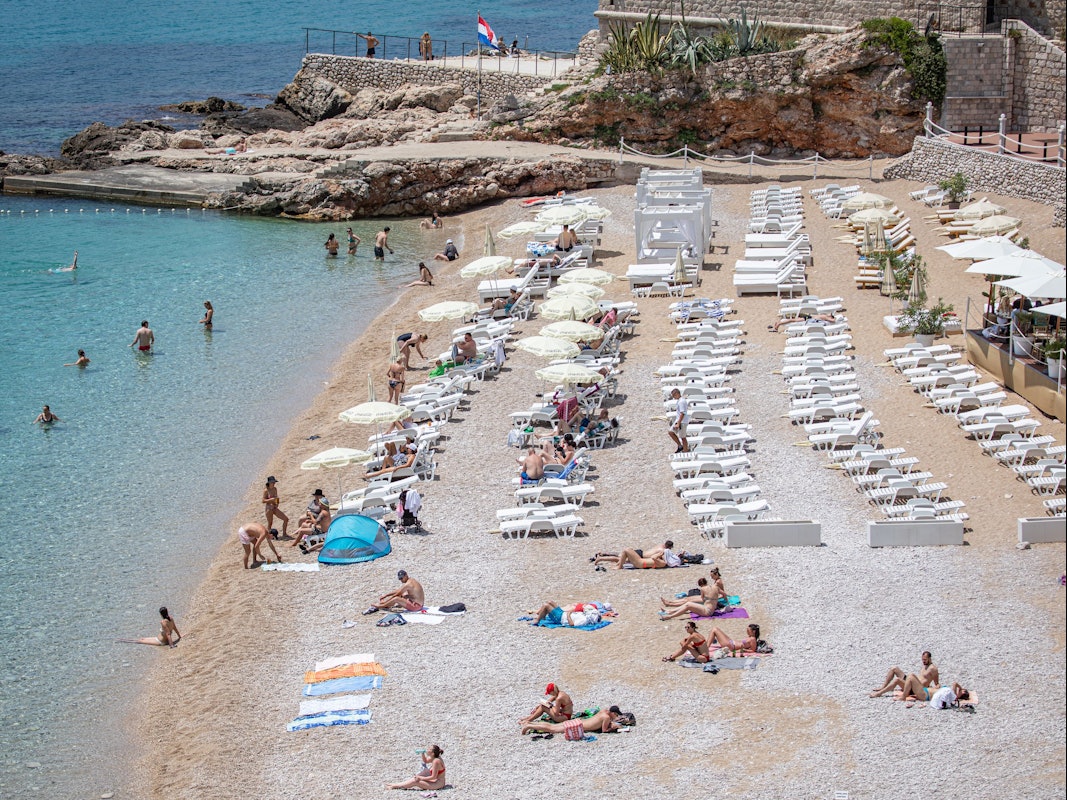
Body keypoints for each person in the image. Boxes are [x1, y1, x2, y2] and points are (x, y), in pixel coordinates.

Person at [869, 651, 940, 699]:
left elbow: (937, 683)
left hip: (916, 688)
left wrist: (936, 689)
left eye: (925, 660)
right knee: (894, 668)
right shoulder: (924, 665)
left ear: (930, 659)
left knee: (897, 680)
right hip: (911, 682)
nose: (923, 661)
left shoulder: (933, 669)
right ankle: (883, 687)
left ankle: (879, 693)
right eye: (922, 659)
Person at [522, 706, 625, 736]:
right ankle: (528, 726)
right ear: (612, 713)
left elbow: (598, 720)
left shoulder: (604, 712)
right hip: (578, 725)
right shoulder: (607, 718)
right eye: (615, 715)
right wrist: (614, 727)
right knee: (552, 729)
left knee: (552, 725)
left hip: (579, 721)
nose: (615, 717)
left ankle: (529, 723)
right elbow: (604, 730)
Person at [658, 576, 726, 620]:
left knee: (688, 604)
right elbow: (724, 594)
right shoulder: (715, 588)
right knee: (688, 602)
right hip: (708, 609)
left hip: (708, 611)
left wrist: (713, 599)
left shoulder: (703, 589)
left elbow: (702, 598)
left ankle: (670, 616)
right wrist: (718, 599)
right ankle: (669, 611)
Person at [592, 540, 681, 570]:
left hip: (641, 562)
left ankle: (618, 566)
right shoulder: (662, 559)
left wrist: (659, 555)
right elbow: (654, 557)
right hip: (640, 560)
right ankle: (603, 559)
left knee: (625, 552)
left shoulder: (663, 563)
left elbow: (654, 557)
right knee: (622, 555)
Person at [531, 601, 601, 627]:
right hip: (563, 614)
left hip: (561, 618)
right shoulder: (586, 615)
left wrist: (568, 615)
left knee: (546, 605)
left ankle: (538, 620)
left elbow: (572, 624)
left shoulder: (584, 620)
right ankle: (542, 616)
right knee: (550, 602)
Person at [668, 388, 689, 454]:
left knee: (683, 437)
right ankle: (680, 446)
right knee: (671, 432)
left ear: (677, 394)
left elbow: (683, 413)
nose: (673, 397)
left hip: (682, 422)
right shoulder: (679, 401)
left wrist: (678, 423)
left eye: (674, 395)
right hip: (679, 421)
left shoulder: (681, 401)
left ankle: (685, 451)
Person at [769, 312, 837, 333]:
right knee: (793, 320)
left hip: (809, 317)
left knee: (793, 320)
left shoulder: (824, 315)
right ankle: (779, 324)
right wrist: (834, 319)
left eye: (830, 315)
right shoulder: (825, 317)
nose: (829, 314)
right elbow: (833, 321)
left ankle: (779, 323)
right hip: (809, 318)